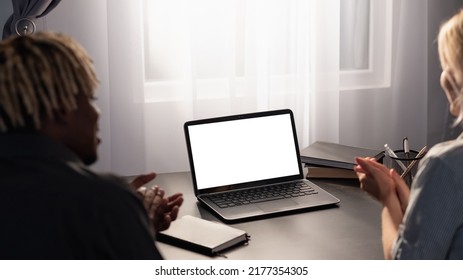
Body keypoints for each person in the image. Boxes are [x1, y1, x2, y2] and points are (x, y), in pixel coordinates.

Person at [0, 32, 183, 259]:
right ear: (62, 109)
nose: (97, 114)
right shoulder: (103, 202)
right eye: (90, 99)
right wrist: (127, 220)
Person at [354, 9, 463, 260]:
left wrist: (386, 198)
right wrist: (408, 202)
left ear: (453, 82)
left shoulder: (445, 165)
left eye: (446, 67)